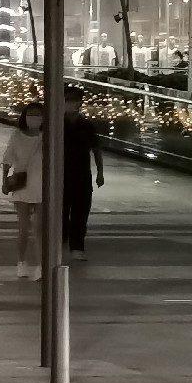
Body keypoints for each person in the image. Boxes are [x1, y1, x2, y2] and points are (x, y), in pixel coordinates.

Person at [1, 99, 46, 280]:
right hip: (22, 185)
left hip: (42, 186)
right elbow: (7, 158)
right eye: (31, 114)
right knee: (24, 227)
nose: (34, 118)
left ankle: (41, 266)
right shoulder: (17, 136)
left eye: (38, 115)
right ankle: (21, 262)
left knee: (39, 228)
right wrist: (4, 181)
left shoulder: (47, 137)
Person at [62, 85, 105, 260]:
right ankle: (60, 242)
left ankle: (77, 246)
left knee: (80, 212)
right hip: (60, 174)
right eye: (69, 100)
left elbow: (96, 149)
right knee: (60, 211)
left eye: (76, 100)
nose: (73, 104)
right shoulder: (55, 123)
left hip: (81, 174)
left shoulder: (86, 125)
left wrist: (100, 172)